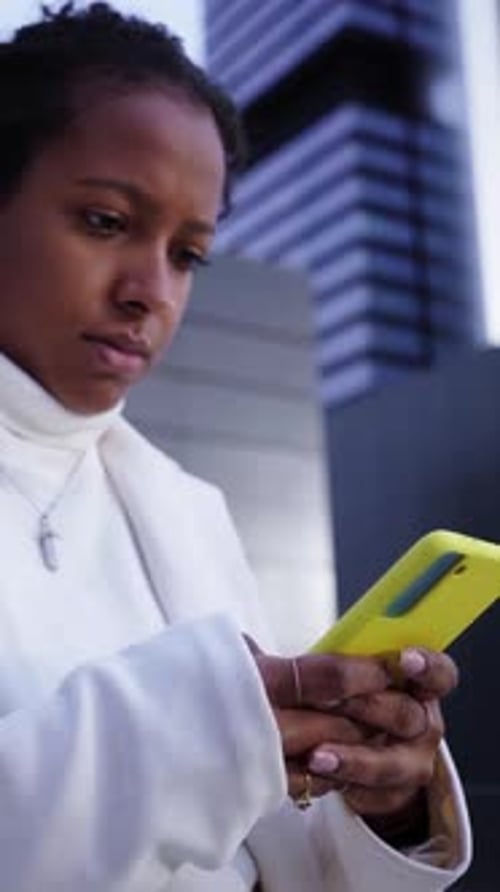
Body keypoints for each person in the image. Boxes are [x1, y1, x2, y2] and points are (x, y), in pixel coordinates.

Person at [0, 2, 471, 890]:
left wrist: (382, 800)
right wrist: (191, 736)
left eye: (189, 254)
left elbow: (275, 855)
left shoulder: (187, 508)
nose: (151, 291)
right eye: (105, 221)